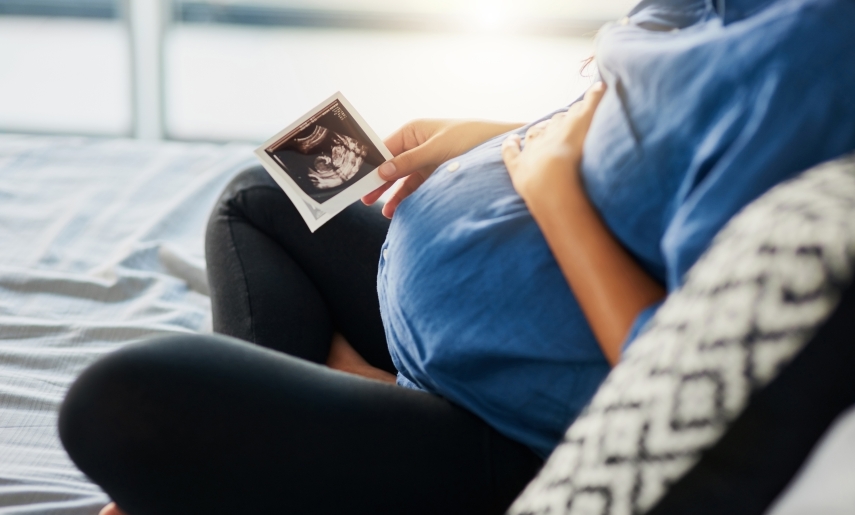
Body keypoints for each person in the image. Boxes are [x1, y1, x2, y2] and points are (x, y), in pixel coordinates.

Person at [58, 0, 855, 513]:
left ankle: (272, 444)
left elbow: (678, 372)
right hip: (452, 330)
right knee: (257, 201)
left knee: (124, 402)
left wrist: (552, 188)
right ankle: (328, 406)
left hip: (513, 428)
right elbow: (651, 128)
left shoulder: (816, 55)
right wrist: (499, 135)